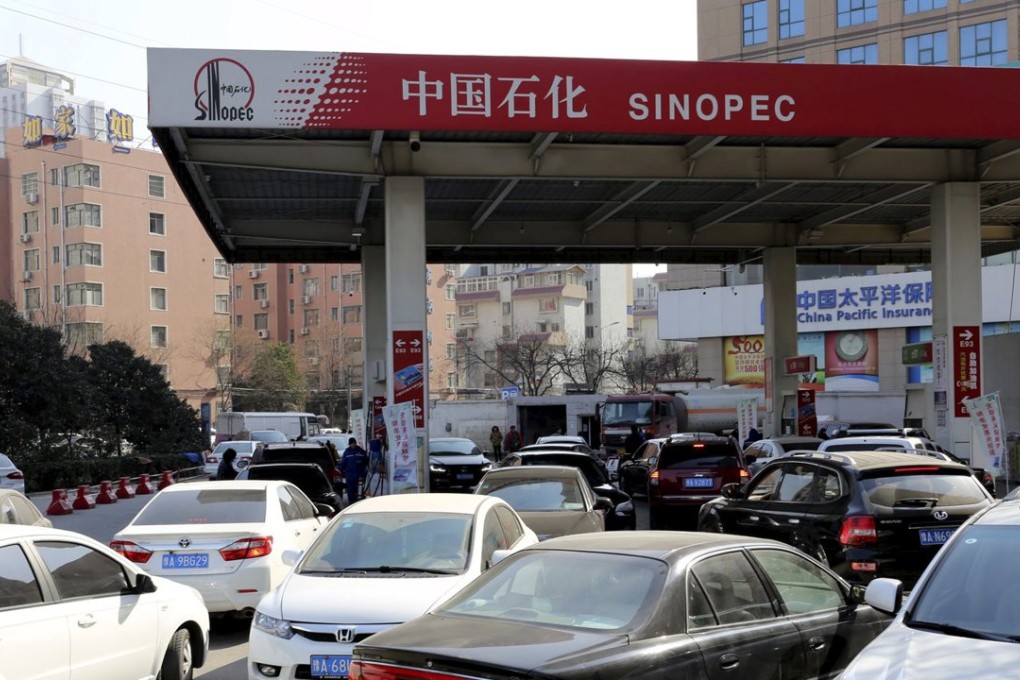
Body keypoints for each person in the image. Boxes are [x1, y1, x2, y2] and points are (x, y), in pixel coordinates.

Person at [340, 437, 369, 505]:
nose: (352, 444)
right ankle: (351, 503)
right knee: (350, 490)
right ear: (349, 444)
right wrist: (340, 471)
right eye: (351, 443)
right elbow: (343, 463)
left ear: (355, 443)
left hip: (359, 475)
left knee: (359, 490)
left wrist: (362, 463)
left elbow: (366, 461)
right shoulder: (347, 452)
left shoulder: (361, 451)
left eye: (353, 443)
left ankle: (359, 503)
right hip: (350, 476)